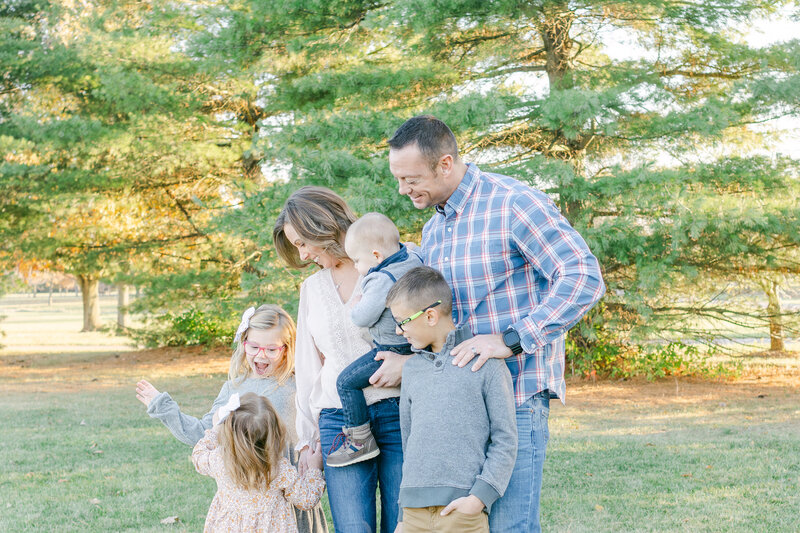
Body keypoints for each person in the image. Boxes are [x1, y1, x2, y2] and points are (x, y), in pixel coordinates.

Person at [387, 115, 606, 533]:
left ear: (445, 163)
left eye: (411, 178)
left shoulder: (513, 203)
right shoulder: (435, 228)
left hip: (518, 398)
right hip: (459, 415)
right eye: (398, 178)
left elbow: (582, 276)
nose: (403, 189)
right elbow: (439, 320)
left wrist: (513, 339)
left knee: (511, 528)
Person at [273, 186, 403, 533]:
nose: (301, 255)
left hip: (399, 411)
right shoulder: (312, 289)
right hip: (338, 419)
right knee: (353, 528)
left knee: (404, 524)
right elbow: (309, 367)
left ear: (322, 226)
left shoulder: (389, 269)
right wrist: (305, 440)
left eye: (302, 243)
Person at [135, 304, 327, 533]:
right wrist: (164, 407)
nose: (261, 355)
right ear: (243, 343)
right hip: (244, 507)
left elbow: (320, 426)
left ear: (286, 348)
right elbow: (201, 433)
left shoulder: (299, 386)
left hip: (291, 497)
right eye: (253, 346)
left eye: (271, 349)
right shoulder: (233, 389)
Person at [388, 266, 517, 533]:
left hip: (463, 514)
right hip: (413, 517)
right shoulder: (411, 370)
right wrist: (402, 515)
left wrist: (478, 498)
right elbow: (408, 442)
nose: (399, 331)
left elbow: (505, 438)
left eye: (402, 321)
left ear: (431, 315)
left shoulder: (486, 364)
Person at [326, 212, 422, 468]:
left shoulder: (381, 278)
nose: (356, 267)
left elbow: (363, 317)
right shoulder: (413, 256)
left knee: (346, 382)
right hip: (414, 342)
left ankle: (359, 440)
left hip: (391, 345)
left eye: (357, 260)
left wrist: (355, 305)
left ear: (377, 256)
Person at [192, 392, 326, 532]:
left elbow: (198, 455)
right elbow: (306, 499)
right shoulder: (278, 469)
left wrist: (215, 430)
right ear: (275, 433)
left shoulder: (220, 460)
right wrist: (314, 469)